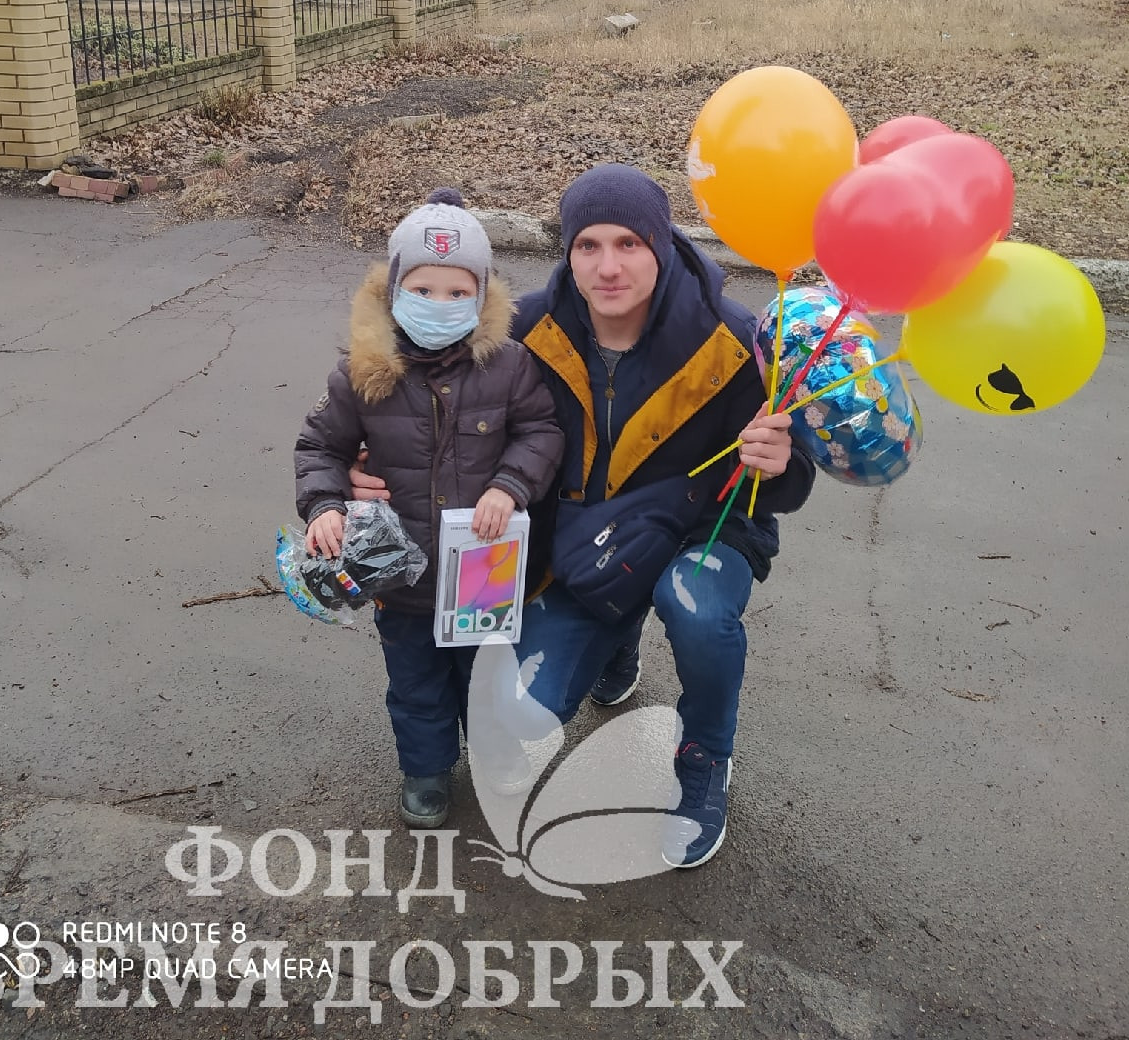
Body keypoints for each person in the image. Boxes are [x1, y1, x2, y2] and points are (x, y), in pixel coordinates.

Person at [350, 165, 816, 868]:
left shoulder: (733, 338)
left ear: (663, 244)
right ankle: (615, 638)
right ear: (565, 251)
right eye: (587, 245)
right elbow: (427, 393)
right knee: (517, 711)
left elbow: (793, 482)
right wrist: (370, 457)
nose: (607, 266)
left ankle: (704, 758)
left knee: (692, 606)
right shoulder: (531, 328)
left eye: (629, 243)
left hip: (703, 530)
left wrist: (778, 465)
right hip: (584, 545)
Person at [294, 189, 563, 830]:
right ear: (393, 292)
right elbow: (320, 447)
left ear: (482, 296)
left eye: (456, 292)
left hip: (484, 567)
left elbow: (541, 433)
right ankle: (426, 770)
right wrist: (325, 506)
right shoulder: (362, 373)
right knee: (415, 681)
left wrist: (509, 486)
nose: (439, 305)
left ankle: (496, 760)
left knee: (488, 678)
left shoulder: (510, 366)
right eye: (423, 289)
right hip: (401, 572)